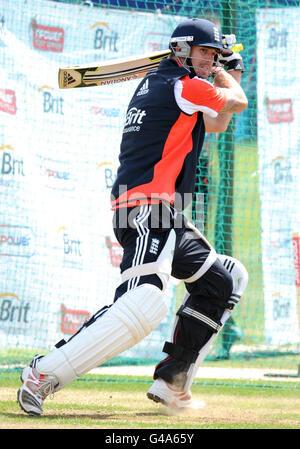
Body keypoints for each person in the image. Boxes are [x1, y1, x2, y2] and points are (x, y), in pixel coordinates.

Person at [17, 18, 248, 416]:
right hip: (145, 209)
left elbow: (218, 122)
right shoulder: (181, 85)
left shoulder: (166, 85)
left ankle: (172, 381)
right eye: (205, 53)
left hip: (163, 213)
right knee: (142, 303)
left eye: (214, 55)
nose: (210, 61)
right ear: (181, 50)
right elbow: (236, 102)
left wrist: (223, 72)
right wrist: (229, 73)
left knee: (223, 281)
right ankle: (43, 373)